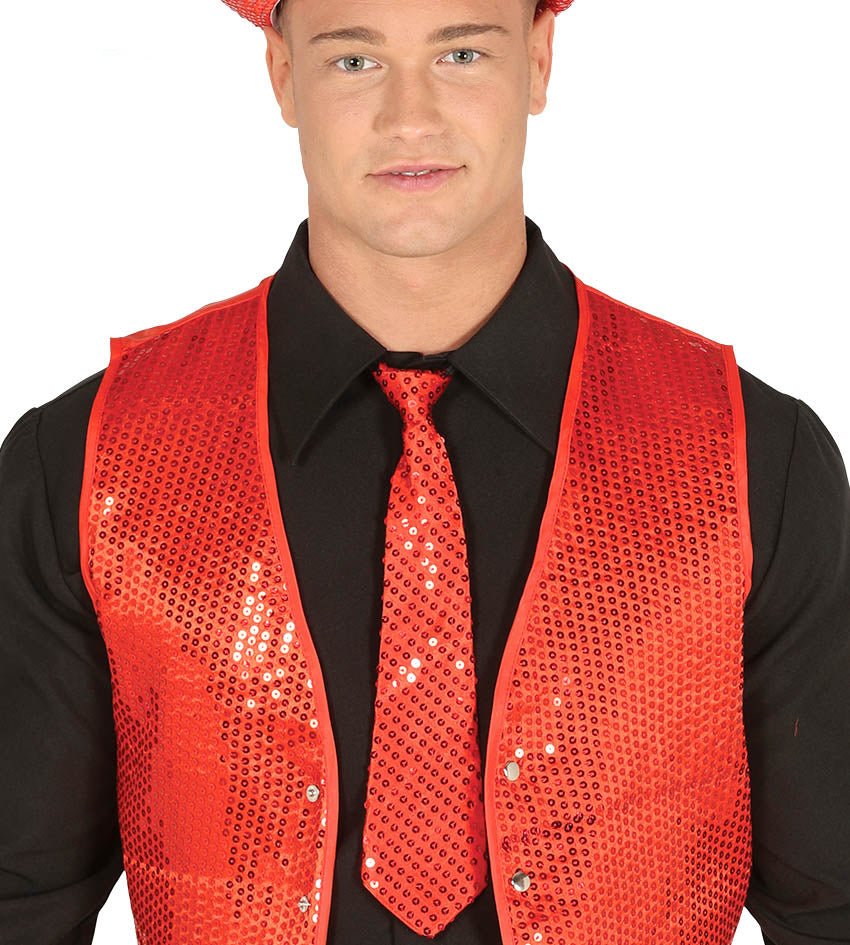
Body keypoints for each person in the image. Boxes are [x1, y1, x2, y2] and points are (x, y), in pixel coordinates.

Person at [0, 0, 848, 943]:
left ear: (538, 58)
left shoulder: (749, 460)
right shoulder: (88, 462)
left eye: (462, 53)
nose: (411, 117)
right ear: (282, 74)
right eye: (354, 61)